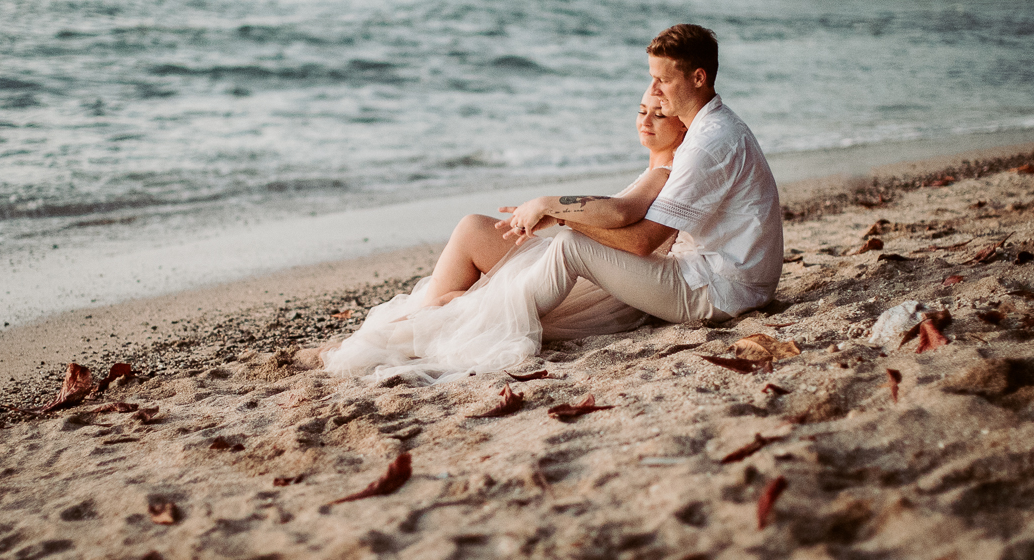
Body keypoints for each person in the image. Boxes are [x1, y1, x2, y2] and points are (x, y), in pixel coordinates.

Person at [323, 24, 783, 383]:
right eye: (649, 86)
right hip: (711, 274)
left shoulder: (706, 144)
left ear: (698, 78)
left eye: (662, 83)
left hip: (720, 289)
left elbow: (641, 239)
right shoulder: (704, 135)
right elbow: (628, 215)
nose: (653, 96)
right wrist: (554, 213)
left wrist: (554, 212)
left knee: (567, 246)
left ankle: (471, 321)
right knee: (516, 238)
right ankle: (448, 314)